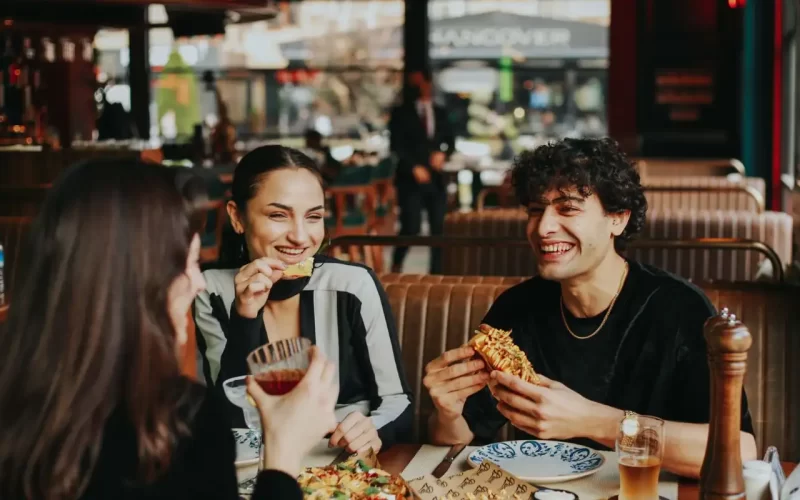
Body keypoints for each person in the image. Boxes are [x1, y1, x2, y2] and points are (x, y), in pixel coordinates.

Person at [0, 159, 339, 499]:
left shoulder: (19, 403)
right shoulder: (181, 425)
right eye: (188, 264)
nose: (198, 285)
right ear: (134, 279)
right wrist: (282, 457)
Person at [422, 138, 757, 478]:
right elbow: (459, 440)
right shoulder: (517, 309)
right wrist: (448, 412)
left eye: (567, 208)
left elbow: (740, 451)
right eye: (536, 210)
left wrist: (593, 421)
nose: (542, 227)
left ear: (618, 219)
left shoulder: (678, 309)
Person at [194, 145, 413, 454]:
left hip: (344, 468)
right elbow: (232, 419)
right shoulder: (211, 292)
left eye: (313, 217)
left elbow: (398, 403)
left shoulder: (353, 285)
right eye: (278, 215)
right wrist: (245, 317)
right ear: (237, 217)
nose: (300, 236)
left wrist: (371, 430)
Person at [389, 68, 455, 274]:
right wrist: (413, 166)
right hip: (410, 179)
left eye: (420, 83)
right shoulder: (400, 112)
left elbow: (450, 141)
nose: (418, 88)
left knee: (439, 228)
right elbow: (396, 145)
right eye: (413, 84)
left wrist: (443, 154)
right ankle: (396, 265)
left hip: (436, 178)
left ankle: (437, 272)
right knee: (411, 226)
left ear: (428, 84)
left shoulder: (440, 112)